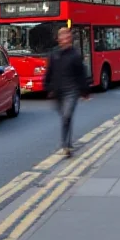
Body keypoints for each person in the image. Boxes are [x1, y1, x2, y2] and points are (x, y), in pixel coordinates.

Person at [44, 27, 90, 157]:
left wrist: (85, 91)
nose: (64, 39)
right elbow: (49, 72)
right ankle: (67, 142)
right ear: (58, 39)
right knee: (65, 118)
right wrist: (47, 87)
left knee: (66, 115)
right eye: (62, 37)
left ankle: (66, 145)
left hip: (72, 91)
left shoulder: (75, 55)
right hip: (58, 92)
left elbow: (81, 74)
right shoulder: (54, 54)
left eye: (67, 36)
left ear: (70, 38)